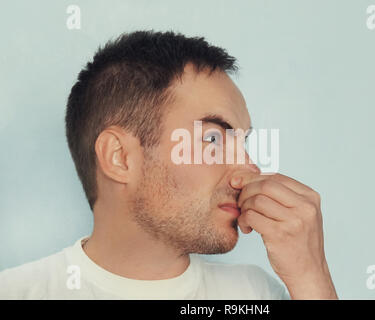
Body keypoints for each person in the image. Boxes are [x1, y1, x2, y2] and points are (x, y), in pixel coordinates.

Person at [0, 30, 337, 299]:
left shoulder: (255, 294)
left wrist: (311, 277)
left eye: (243, 143)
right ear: (120, 157)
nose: (248, 170)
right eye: (213, 140)